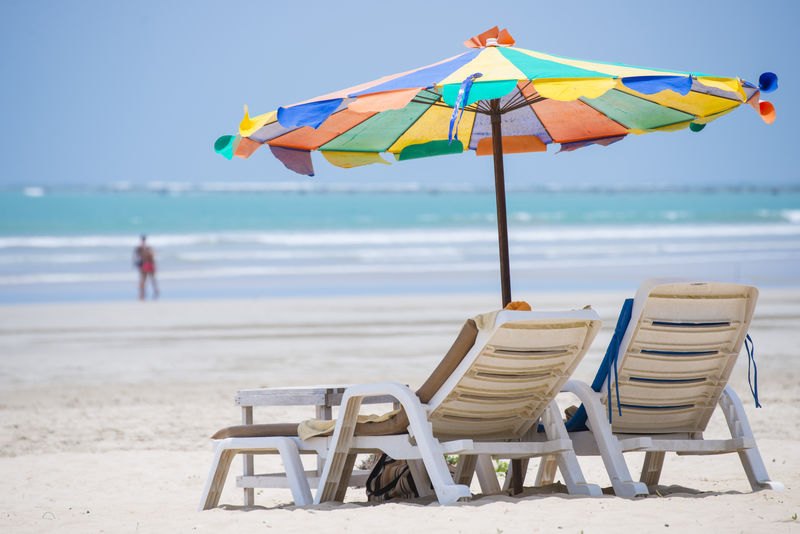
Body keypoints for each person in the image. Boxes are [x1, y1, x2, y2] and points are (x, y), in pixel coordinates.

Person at [133, 235, 159, 300]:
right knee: (146, 280)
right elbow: (137, 257)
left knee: (148, 280)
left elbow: (137, 257)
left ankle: (146, 293)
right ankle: (144, 294)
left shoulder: (145, 248)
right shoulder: (143, 248)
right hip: (145, 265)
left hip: (146, 265)